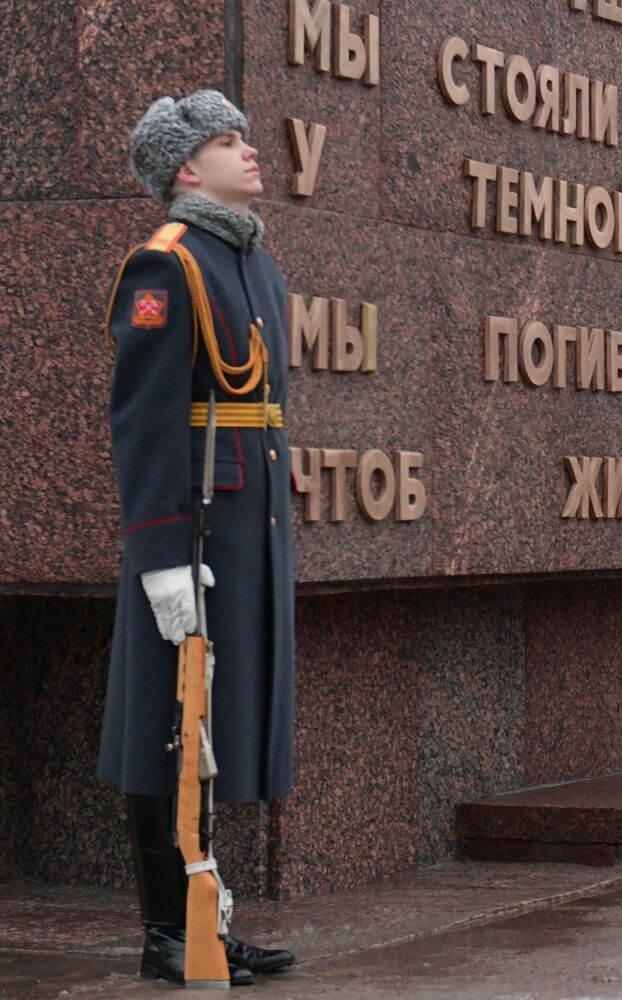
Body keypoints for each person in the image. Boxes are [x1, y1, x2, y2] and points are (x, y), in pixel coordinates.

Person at [98, 90, 296, 986]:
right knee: (168, 728)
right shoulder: (164, 266)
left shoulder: (253, 263)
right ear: (187, 168)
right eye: (227, 142)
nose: (250, 151)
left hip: (247, 525)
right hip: (192, 535)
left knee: (213, 731)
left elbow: (258, 402)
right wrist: (160, 557)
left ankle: (208, 921)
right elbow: (143, 423)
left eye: (247, 138)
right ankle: (168, 935)